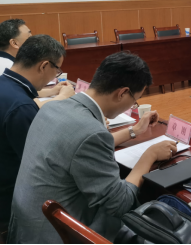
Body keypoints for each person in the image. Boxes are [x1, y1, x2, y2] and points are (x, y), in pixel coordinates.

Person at [8, 52, 177, 243]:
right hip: (57, 235)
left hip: (27, 227)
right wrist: (149, 155)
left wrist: (134, 131)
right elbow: (119, 204)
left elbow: (77, 144)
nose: (132, 105)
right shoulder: (91, 134)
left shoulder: (52, 108)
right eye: (134, 100)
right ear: (122, 93)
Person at [0, 35, 68, 229]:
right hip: (10, 197)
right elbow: (41, 164)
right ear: (44, 66)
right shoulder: (21, 107)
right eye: (57, 69)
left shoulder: (5, 85)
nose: (55, 76)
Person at [0, 19, 74, 105]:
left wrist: (52, 91)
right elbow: (25, 105)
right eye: (29, 38)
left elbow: (24, 90)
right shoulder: (8, 67)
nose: (33, 42)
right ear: (14, 43)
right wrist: (63, 97)